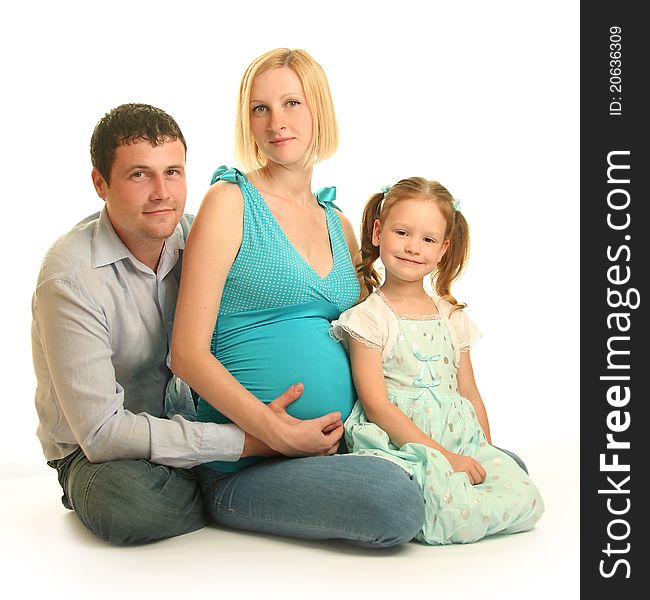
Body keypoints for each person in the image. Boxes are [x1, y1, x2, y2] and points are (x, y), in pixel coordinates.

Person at [170, 48, 425, 547]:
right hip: (246, 463)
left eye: (291, 103)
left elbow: (367, 340)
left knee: (497, 464)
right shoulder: (230, 202)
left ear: (319, 111)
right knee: (393, 502)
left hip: (343, 442)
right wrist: (276, 431)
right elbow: (186, 354)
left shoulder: (340, 224)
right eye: (259, 108)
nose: (275, 122)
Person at [31, 102, 318, 545]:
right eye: (139, 174)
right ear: (100, 183)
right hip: (102, 456)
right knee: (126, 505)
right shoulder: (69, 278)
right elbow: (102, 434)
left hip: (196, 422)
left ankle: (223, 482)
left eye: (174, 172)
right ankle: (232, 489)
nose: (162, 192)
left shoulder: (201, 235)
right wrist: (251, 442)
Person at [330, 177, 545, 544]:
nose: (413, 247)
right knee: (441, 509)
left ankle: (471, 492)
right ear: (379, 232)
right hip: (403, 439)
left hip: (460, 435)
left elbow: (470, 392)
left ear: (443, 248)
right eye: (402, 233)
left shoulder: (451, 316)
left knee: (526, 497)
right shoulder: (370, 318)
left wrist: (486, 452)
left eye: (428, 239)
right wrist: (443, 456)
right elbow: (377, 404)